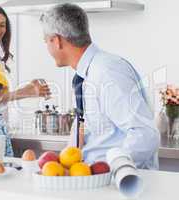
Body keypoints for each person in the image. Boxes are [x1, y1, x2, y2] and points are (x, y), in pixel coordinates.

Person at [40, 3, 160, 169]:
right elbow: (84, 127)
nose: (46, 46)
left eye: (45, 41)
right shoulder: (84, 76)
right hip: (91, 179)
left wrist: (111, 170)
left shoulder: (107, 72)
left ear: (57, 40)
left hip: (116, 184)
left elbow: (145, 135)